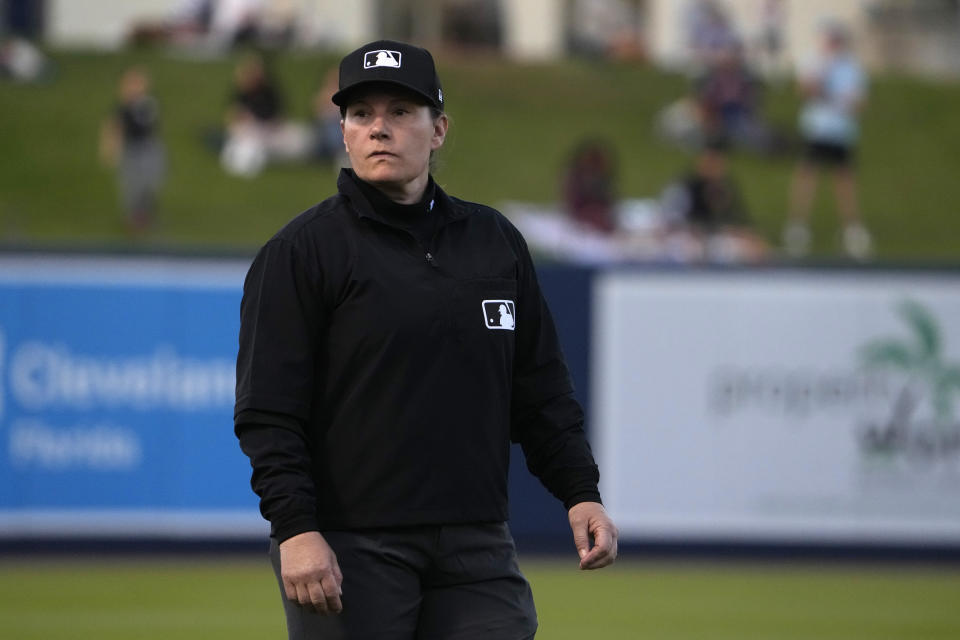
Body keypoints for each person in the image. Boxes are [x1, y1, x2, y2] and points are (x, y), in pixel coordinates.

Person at [234, 39, 618, 640]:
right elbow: (267, 414)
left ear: (438, 129)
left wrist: (580, 492)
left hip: (477, 546)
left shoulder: (494, 242)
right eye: (361, 115)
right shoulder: (301, 253)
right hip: (351, 546)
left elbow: (540, 391)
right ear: (342, 131)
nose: (378, 129)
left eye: (400, 113)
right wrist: (296, 530)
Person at [784, 20, 871, 259]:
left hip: (842, 130)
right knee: (807, 175)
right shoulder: (814, 61)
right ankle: (797, 226)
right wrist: (823, 80)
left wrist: (844, 100)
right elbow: (805, 90)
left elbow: (859, 102)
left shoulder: (851, 66)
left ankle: (852, 228)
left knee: (844, 180)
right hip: (817, 128)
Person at [659, 137, 768, 263]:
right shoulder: (685, 187)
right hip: (690, 238)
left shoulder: (726, 187)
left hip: (717, 237)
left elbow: (738, 220)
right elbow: (672, 222)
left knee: (754, 246)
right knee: (693, 248)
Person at [99, 67, 166, 233]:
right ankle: (133, 219)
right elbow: (113, 126)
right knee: (131, 185)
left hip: (148, 146)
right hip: (131, 148)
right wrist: (110, 148)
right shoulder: (122, 107)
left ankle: (145, 214)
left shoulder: (147, 103)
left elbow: (148, 123)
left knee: (149, 182)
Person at [561, 138, 618, 234]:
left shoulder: (604, 180)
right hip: (582, 214)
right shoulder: (576, 178)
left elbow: (609, 202)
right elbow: (573, 205)